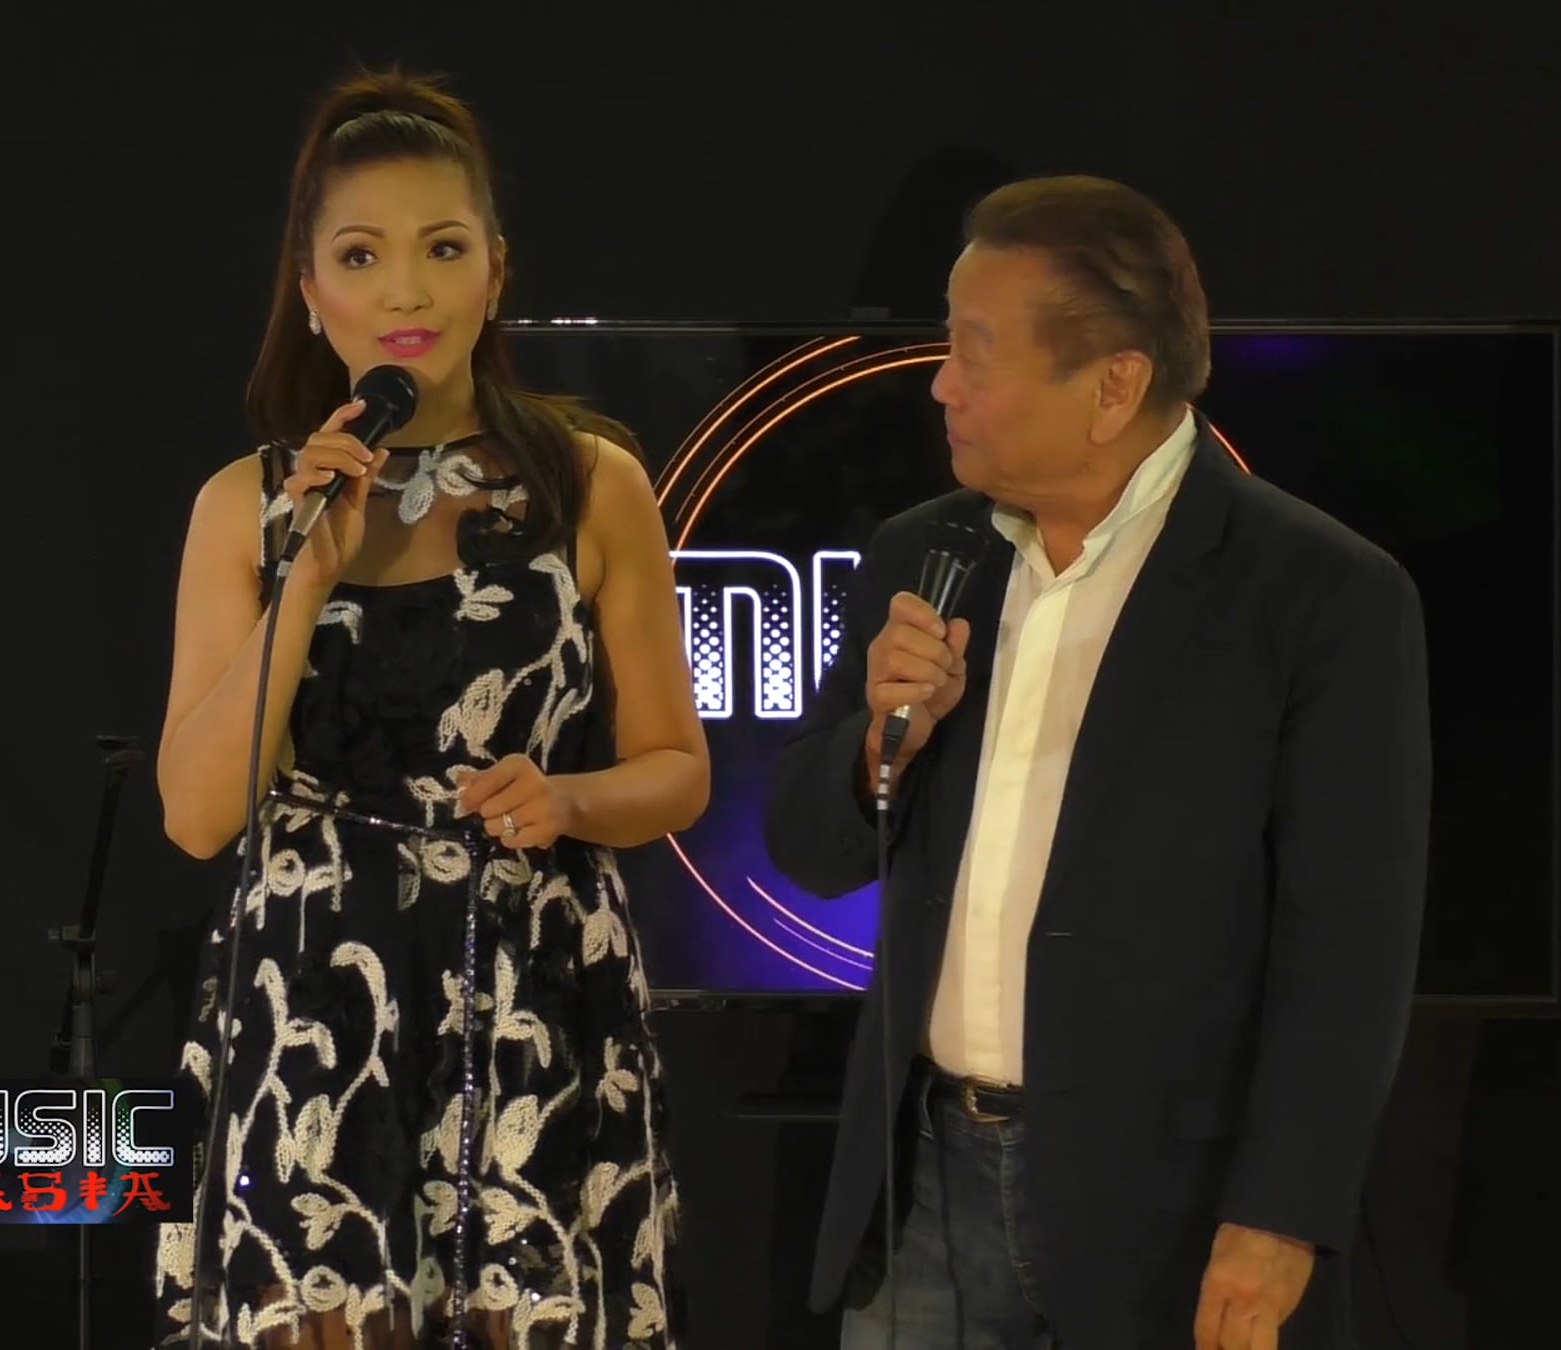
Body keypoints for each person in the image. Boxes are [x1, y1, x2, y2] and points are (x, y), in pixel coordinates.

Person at [765, 175, 1432, 1349]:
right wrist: (882, 744)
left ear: (1114, 384)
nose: (940, 384)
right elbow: (809, 850)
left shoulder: (1319, 594)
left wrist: (1281, 1216)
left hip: (1169, 1214)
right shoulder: (923, 554)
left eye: (974, 351)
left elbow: (1350, 949)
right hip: (920, 1192)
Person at [151, 66, 706, 1349]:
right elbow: (195, 814)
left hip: (531, 992)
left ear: (495, 274)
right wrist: (305, 577)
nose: (405, 292)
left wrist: (570, 799)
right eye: (362, 256)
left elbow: (676, 768)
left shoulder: (590, 481)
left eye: (442, 249)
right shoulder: (247, 505)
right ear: (310, 292)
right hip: (314, 999)